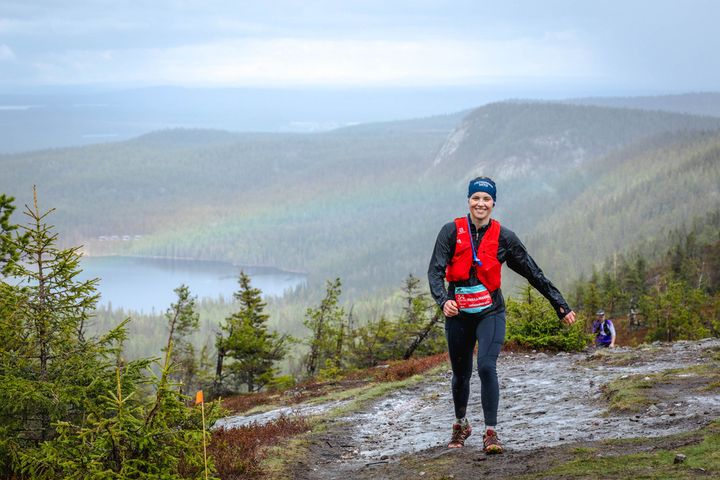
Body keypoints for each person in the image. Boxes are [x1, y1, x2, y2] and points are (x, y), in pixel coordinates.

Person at [428, 177, 576, 453]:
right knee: (461, 374)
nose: (480, 204)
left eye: (486, 199)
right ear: (469, 201)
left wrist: (560, 305)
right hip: (458, 313)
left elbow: (533, 272)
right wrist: (442, 301)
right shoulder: (450, 232)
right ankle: (461, 425)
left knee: (486, 366)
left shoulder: (505, 237)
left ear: (493, 203)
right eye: (476, 198)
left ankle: (491, 432)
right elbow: (435, 271)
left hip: (490, 313)